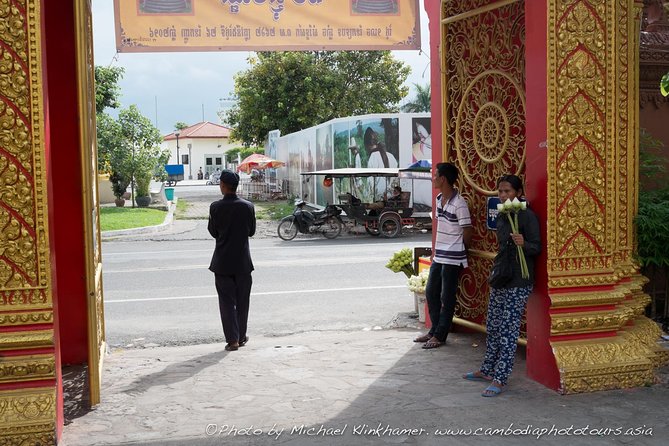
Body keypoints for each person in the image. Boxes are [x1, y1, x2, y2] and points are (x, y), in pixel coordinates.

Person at [463, 174, 541, 397]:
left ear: (518, 193)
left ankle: (501, 378)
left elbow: (537, 247)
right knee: (494, 324)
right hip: (501, 277)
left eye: (507, 191)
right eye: (500, 191)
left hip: (519, 279)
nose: (503, 195)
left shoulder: (527, 216)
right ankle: (487, 370)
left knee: (509, 329)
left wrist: (524, 243)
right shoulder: (503, 216)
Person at [414, 162, 472, 349]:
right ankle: (434, 331)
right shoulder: (439, 199)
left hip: (453, 257)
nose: (433, 178)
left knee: (447, 297)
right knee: (431, 292)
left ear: (443, 179)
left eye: (435, 175)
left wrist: (462, 250)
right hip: (440, 255)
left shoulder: (460, 203)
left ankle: (440, 335)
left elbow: (467, 230)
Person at [208, 170, 256, 352]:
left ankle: (233, 340)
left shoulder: (215, 207)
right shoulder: (248, 206)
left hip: (222, 263)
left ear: (222, 185)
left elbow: (213, 232)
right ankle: (242, 336)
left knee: (227, 302)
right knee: (243, 301)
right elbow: (251, 231)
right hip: (243, 262)